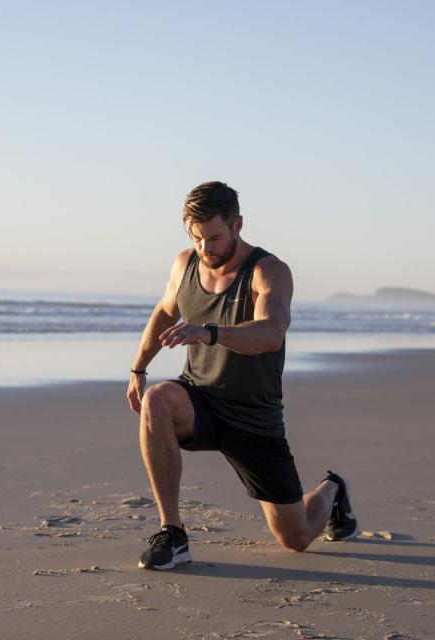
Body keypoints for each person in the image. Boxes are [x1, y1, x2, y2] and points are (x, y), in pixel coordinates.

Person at [126, 181, 357, 570]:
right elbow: (166, 311)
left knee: (296, 538)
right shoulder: (185, 264)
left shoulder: (269, 271)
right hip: (199, 399)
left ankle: (333, 490)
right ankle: (173, 533)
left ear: (237, 225)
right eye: (198, 238)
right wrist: (138, 368)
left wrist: (210, 332)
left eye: (214, 237)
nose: (206, 248)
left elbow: (271, 333)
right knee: (159, 398)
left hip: (252, 416)